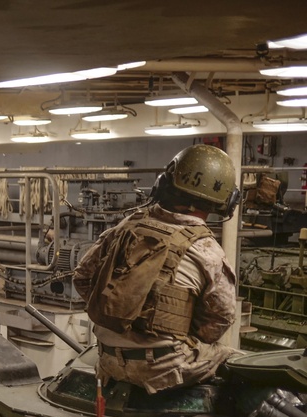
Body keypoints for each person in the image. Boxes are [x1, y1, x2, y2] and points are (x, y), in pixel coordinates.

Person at [73, 143, 240, 395]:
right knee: (236, 359)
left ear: (165, 182)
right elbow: (220, 319)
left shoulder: (126, 226)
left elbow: (82, 278)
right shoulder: (207, 249)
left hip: (106, 360)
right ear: (224, 201)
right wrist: (175, 330)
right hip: (165, 368)